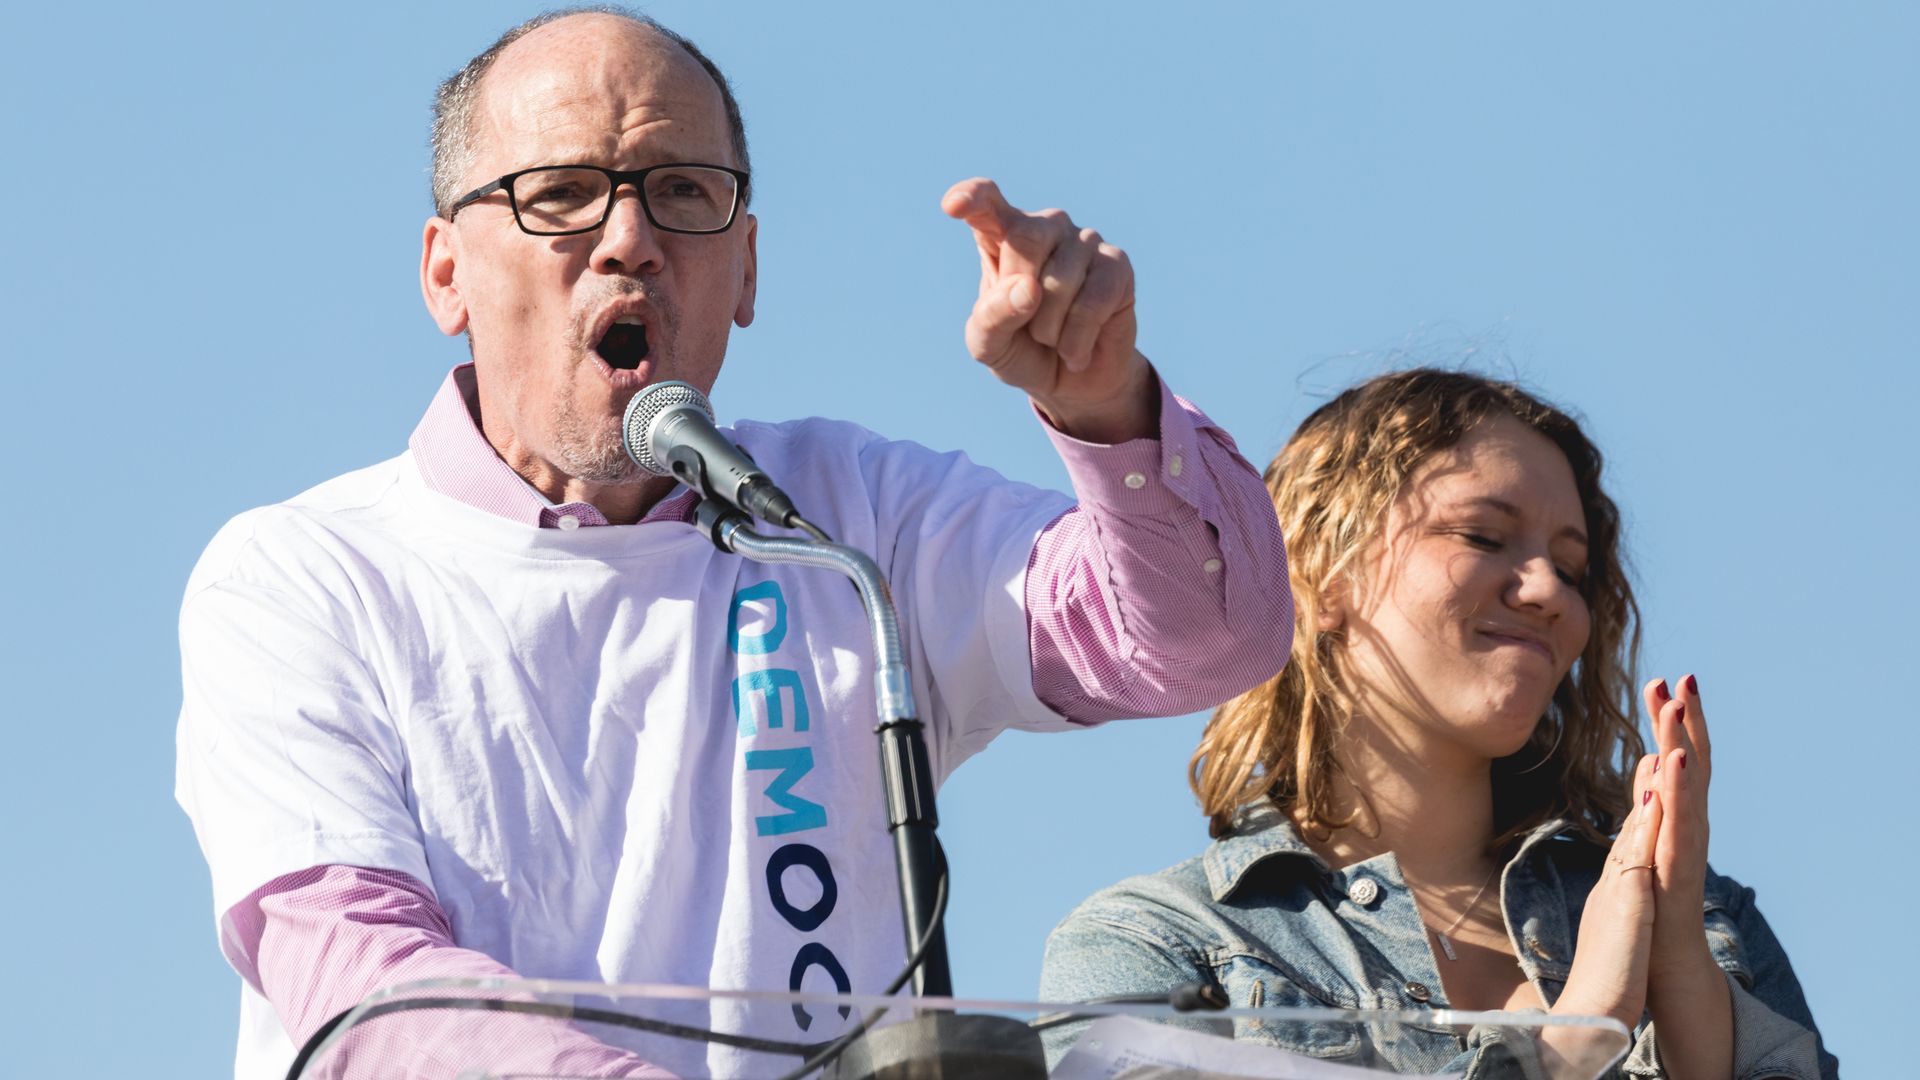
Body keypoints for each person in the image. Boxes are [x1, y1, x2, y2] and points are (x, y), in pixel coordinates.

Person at [173, 8, 1292, 1078]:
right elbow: (370, 997)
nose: (631, 241)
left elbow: (1205, 641)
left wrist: (1107, 406)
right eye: (560, 194)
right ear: (446, 272)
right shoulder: (303, 577)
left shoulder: (849, 519)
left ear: (746, 267)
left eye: (682, 193)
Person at [1040, 369, 1835, 1078]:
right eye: (1483, 537)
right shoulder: (1155, 941)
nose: (1550, 592)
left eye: (1572, 568)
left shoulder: (1704, 917)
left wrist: (1686, 985)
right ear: (1319, 575)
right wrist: (1563, 1047)